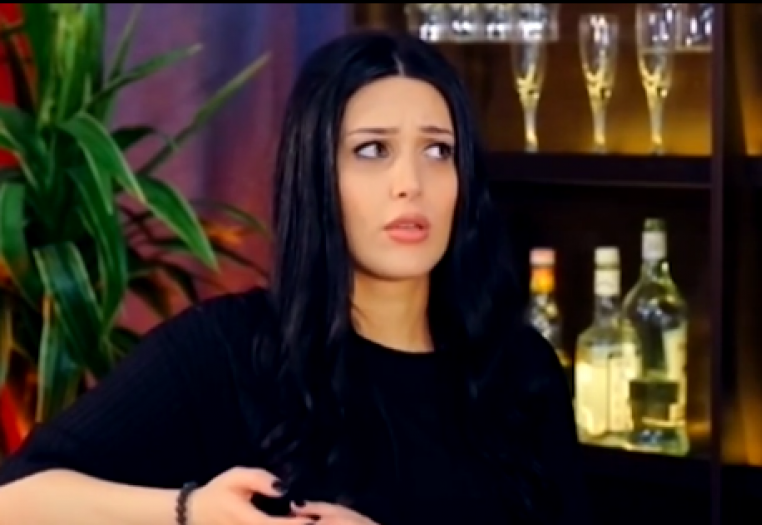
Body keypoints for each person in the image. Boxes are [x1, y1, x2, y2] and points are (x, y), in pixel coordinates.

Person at [0, 30, 587, 525]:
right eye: (372, 150)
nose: (411, 183)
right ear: (315, 175)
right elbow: (14, 500)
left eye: (438, 152)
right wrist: (192, 510)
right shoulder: (226, 350)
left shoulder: (522, 369)